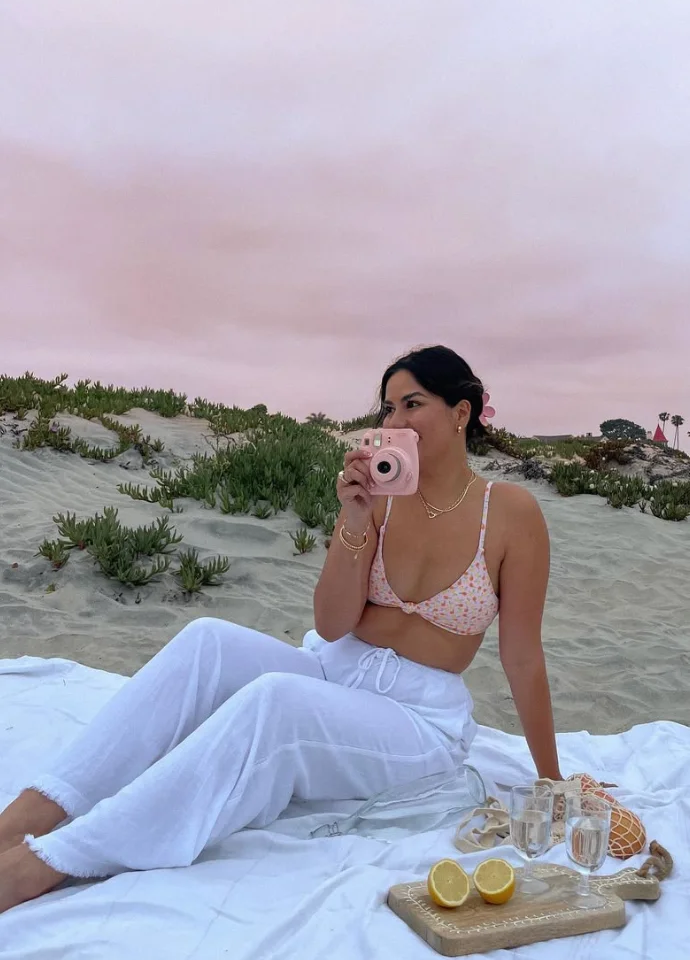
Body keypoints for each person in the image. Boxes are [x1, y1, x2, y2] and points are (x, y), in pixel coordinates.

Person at [0, 344, 561, 912]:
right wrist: (356, 518)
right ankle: (27, 816)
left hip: (417, 718)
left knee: (276, 701)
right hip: (336, 667)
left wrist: (552, 779)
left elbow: (522, 659)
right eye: (388, 409)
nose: (394, 423)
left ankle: (53, 861)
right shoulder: (383, 498)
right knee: (207, 642)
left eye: (411, 404)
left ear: (461, 412)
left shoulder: (510, 514)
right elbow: (332, 623)